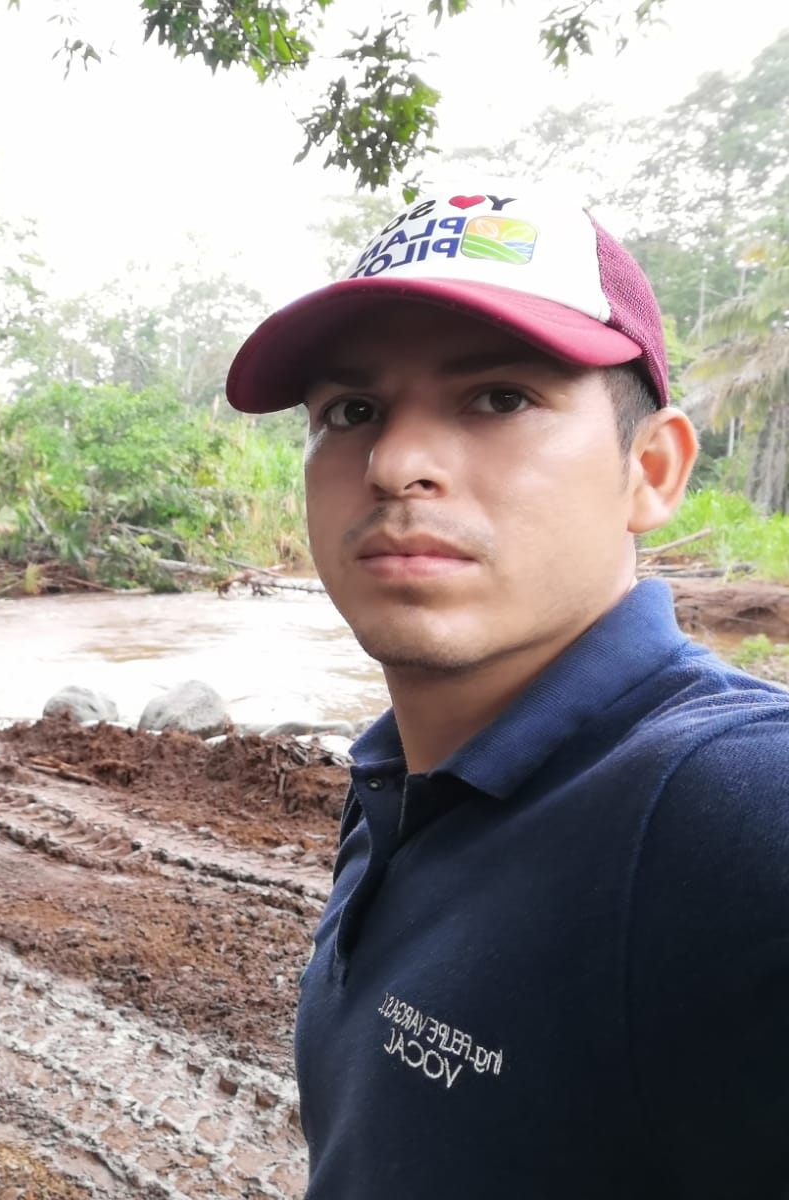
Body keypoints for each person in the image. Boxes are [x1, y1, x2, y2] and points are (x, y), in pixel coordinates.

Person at [225, 182, 789, 1198]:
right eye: (352, 412)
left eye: (498, 398)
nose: (395, 463)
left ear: (651, 470)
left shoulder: (726, 806)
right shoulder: (399, 776)